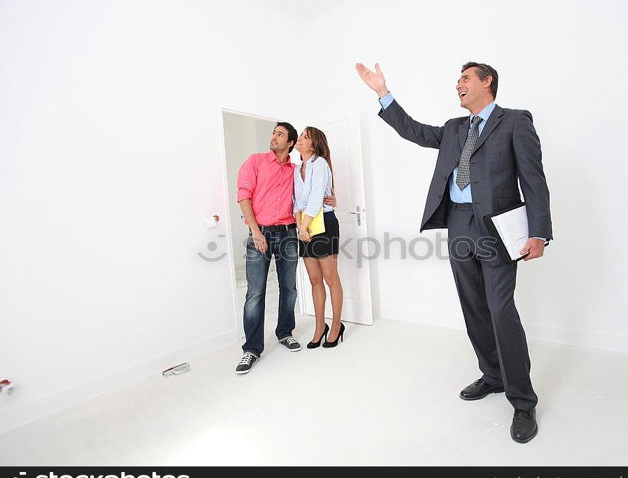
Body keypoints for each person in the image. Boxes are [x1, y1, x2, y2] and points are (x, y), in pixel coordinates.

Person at [355, 62, 552, 443]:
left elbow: (533, 178)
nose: (457, 84)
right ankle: (493, 376)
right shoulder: (453, 129)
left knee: (500, 310)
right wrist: (383, 93)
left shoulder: (514, 122)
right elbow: (413, 131)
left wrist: (539, 232)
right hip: (459, 224)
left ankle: (523, 402)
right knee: (474, 307)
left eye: (465, 78)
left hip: (497, 229)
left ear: (487, 82)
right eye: (457, 80)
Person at [235, 122, 336, 374]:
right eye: (273, 133)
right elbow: (243, 197)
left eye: (280, 134)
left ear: (290, 143)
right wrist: (256, 232)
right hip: (260, 233)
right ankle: (251, 349)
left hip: (290, 233)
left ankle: (284, 333)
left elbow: (308, 196)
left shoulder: (295, 169)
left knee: (289, 288)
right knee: (255, 293)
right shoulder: (255, 161)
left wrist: (330, 198)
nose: (274, 137)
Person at [293, 127, 345, 348]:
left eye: (305, 136)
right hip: (304, 226)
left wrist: (304, 226)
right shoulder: (297, 169)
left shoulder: (320, 163)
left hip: (323, 224)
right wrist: (299, 225)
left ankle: (336, 325)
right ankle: (319, 326)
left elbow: (316, 198)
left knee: (330, 278)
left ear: (313, 145)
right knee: (314, 280)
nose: (300, 138)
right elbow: (296, 201)